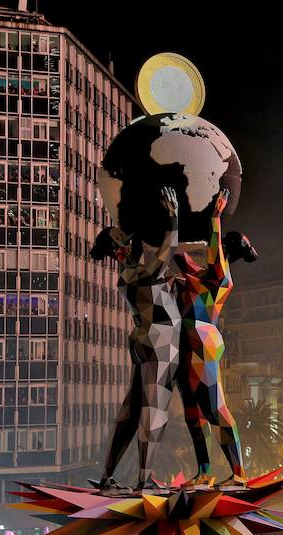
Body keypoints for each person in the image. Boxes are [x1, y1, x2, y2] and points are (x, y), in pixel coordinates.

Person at [92, 187, 181, 491]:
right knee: (153, 409)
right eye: (126, 243)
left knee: (131, 411)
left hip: (145, 339)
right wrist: (173, 221)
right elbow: (165, 256)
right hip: (161, 339)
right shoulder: (137, 274)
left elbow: (157, 284)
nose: (131, 245)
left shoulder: (128, 277)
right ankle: (144, 480)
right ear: (120, 250)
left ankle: (108, 477)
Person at [173, 188, 256, 487]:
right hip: (186, 343)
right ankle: (205, 471)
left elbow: (211, 252)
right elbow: (180, 257)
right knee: (193, 412)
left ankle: (238, 474)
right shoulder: (200, 275)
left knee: (214, 408)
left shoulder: (221, 277)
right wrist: (173, 218)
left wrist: (215, 218)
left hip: (202, 342)